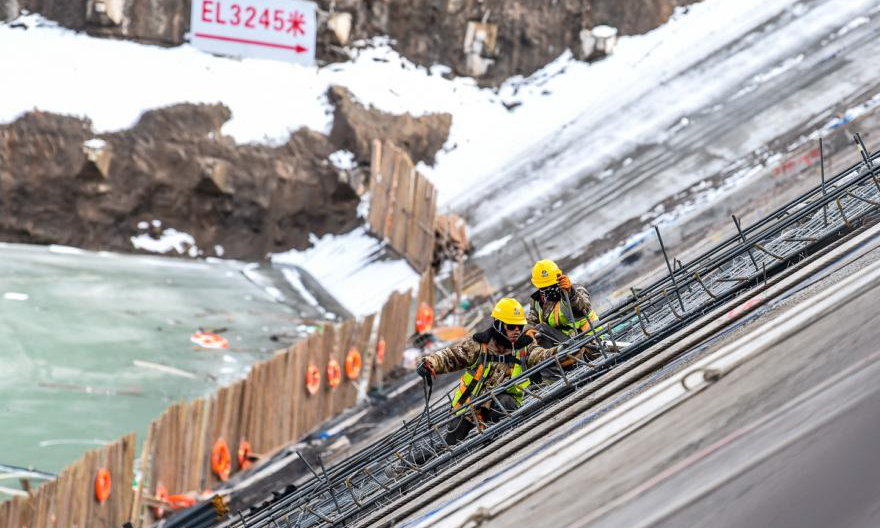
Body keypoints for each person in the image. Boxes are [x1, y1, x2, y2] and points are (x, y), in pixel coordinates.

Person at [416, 298, 547, 446]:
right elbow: (451, 356)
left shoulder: (525, 347)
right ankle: (403, 468)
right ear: (498, 325)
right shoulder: (478, 346)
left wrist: (560, 351)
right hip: (468, 408)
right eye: (511, 326)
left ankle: (498, 442)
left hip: (501, 404)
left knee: (504, 404)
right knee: (450, 444)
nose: (517, 330)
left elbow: (541, 356)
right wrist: (430, 363)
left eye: (520, 326)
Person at [527, 260, 605, 378]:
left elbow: (583, 308)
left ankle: (554, 378)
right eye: (544, 287)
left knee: (541, 330)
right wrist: (528, 332)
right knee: (531, 337)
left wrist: (570, 293)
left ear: (559, 277)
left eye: (551, 285)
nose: (548, 289)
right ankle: (549, 375)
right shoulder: (537, 301)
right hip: (564, 347)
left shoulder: (576, 290)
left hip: (589, 344)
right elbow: (531, 322)